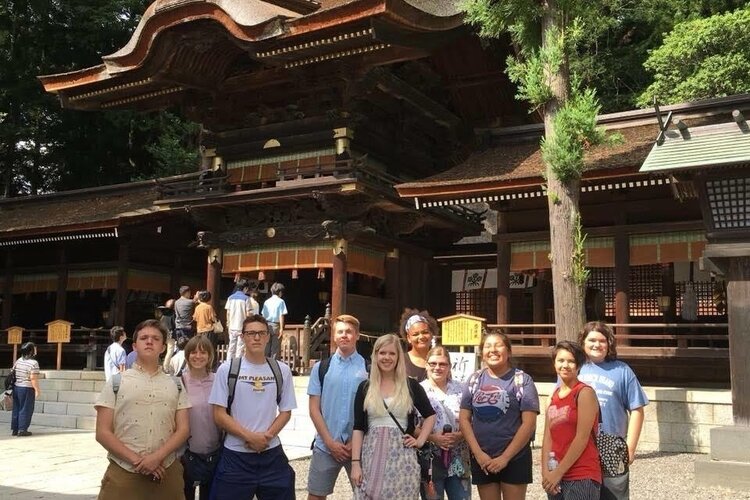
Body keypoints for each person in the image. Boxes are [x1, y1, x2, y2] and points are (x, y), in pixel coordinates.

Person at [94, 319, 191, 500]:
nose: (149, 341)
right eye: (144, 338)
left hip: (167, 470)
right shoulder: (116, 382)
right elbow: (102, 432)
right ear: (134, 345)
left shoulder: (176, 384)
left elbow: (184, 429)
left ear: (163, 347)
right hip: (124, 471)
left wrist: (157, 458)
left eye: (155, 338)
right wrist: (138, 461)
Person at [209, 314, 297, 500]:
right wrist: (250, 437)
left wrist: (266, 437)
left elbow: (286, 411)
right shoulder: (227, 369)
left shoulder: (281, 370)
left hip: (271, 452)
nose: (256, 338)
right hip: (236, 454)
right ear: (242, 337)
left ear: (268, 336)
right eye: (250, 333)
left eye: (261, 333)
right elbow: (219, 414)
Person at [351, 333, 436, 499]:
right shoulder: (365, 388)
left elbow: (430, 415)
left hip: (402, 456)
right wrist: (355, 464)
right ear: (375, 355)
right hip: (372, 453)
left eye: (392, 353)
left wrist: (420, 440)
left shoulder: (410, 385)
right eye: (382, 353)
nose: (387, 357)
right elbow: (358, 428)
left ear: (398, 357)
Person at [459, 332, 539, 500]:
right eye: (487, 346)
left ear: (508, 352)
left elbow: (529, 424)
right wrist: (478, 454)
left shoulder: (522, 380)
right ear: (482, 352)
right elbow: (464, 419)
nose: (493, 350)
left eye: (498, 345)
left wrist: (505, 458)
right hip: (483, 458)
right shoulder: (474, 380)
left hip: (515, 457)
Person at [578, 322, 648, 500]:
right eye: (591, 340)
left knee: (614, 494)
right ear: (583, 342)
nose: (597, 345)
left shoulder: (622, 370)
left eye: (602, 340)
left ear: (609, 344)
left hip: (613, 443)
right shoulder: (574, 368)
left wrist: (630, 448)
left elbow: (637, 410)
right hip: (579, 443)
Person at [307, 314, 369, 500]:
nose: (344, 335)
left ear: (357, 335)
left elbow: (373, 410)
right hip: (326, 444)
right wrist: (329, 442)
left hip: (360, 445)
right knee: (316, 495)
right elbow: (314, 409)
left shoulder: (368, 368)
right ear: (334, 336)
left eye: (349, 332)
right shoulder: (321, 368)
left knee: (366, 495)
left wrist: (356, 443)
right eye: (340, 331)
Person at [542, 341, 601, 499]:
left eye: (571, 361)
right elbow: (547, 437)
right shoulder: (552, 397)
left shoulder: (584, 393)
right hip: (555, 472)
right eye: (561, 360)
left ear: (579, 365)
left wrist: (558, 473)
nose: (565, 365)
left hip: (582, 473)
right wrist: (546, 472)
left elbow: (581, 438)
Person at [419, 346, 471, 499]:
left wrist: (461, 435)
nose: (437, 368)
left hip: (459, 456)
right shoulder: (418, 390)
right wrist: (433, 437)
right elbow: (410, 426)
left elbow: (472, 420)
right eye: (433, 363)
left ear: (450, 366)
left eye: (442, 364)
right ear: (426, 365)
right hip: (430, 459)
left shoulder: (462, 389)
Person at [181, 336, 222, 500]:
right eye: (193, 352)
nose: (198, 356)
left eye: (203, 352)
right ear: (187, 355)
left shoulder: (219, 380)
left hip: (215, 452)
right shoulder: (179, 383)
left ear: (210, 355)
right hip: (186, 453)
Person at [11, 342, 41, 437]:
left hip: (16, 387)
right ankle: (22, 429)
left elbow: (12, 372)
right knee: (26, 409)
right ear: (31, 351)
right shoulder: (33, 363)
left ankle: (15, 429)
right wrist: (37, 390)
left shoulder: (19, 360)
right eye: (34, 348)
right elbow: (33, 378)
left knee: (17, 408)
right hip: (27, 388)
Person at [400, 308, 437, 381]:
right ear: (408, 338)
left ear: (431, 334)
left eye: (425, 332)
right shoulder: (400, 361)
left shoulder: (439, 360)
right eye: (415, 334)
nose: (421, 337)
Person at [225, 280, 255, 359]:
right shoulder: (246, 298)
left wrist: (228, 323)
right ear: (245, 288)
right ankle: (237, 365)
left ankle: (229, 364)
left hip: (232, 326)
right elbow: (248, 313)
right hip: (241, 326)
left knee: (231, 346)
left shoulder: (230, 298)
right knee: (240, 347)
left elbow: (228, 313)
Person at [262, 282, 288, 359]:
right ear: (280, 292)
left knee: (266, 347)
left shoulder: (266, 301)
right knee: (275, 349)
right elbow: (281, 315)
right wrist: (281, 328)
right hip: (276, 325)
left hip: (267, 325)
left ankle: (265, 364)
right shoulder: (281, 301)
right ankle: (274, 365)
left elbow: (263, 316)